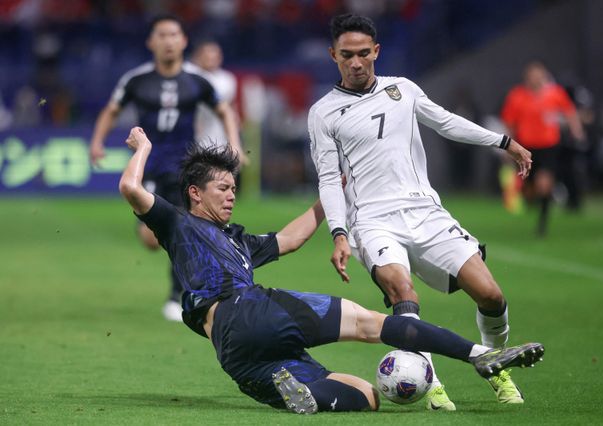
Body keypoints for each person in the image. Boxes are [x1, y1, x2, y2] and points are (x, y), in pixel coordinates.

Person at [118, 125, 545, 414]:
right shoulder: (180, 224)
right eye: (223, 188)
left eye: (234, 188)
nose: (232, 195)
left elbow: (291, 239)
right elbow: (130, 187)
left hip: (235, 354)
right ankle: (480, 355)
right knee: (368, 323)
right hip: (247, 310)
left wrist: (328, 197)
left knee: (367, 396)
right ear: (195, 193)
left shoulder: (238, 242)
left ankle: (305, 393)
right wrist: (144, 149)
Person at [308, 14, 533, 410]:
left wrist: (502, 142)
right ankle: (432, 384)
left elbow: (447, 123)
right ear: (333, 55)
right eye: (347, 55)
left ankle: (497, 368)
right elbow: (329, 179)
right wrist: (339, 233)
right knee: (402, 292)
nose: (356, 62)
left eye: (363, 53)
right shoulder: (323, 112)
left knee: (491, 295)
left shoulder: (403, 90)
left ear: (376, 51)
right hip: (372, 221)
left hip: (425, 212)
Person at [89, 15, 244, 321]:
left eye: (174, 34)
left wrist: (235, 144)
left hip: (186, 168)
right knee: (150, 239)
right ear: (151, 42)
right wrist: (97, 142)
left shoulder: (198, 80)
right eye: (162, 35)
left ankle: (177, 296)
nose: (168, 41)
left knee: (183, 230)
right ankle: (182, 264)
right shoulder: (136, 79)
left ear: (183, 41)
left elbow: (224, 110)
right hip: (148, 166)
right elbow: (111, 110)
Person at [501, 61, 585, 235]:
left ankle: (542, 223)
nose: (536, 79)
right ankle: (530, 197)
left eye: (539, 75)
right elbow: (509, 122)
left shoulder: (555, 93)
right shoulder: (517, 96)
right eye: (533, 76)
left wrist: (577, 131)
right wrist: (508, 145)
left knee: (545, 184)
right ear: (527, 78)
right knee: (529, 189)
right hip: (526, 147)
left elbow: (570, 112)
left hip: (549, 146)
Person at [190, 40, 240, 150]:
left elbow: (231, 107)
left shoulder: (227, 79)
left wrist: (234, 138)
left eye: (214, 56)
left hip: (218, 135)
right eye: (207, 55)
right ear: (198, 56)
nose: (211, 59)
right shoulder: (190, 74)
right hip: (193, 134)